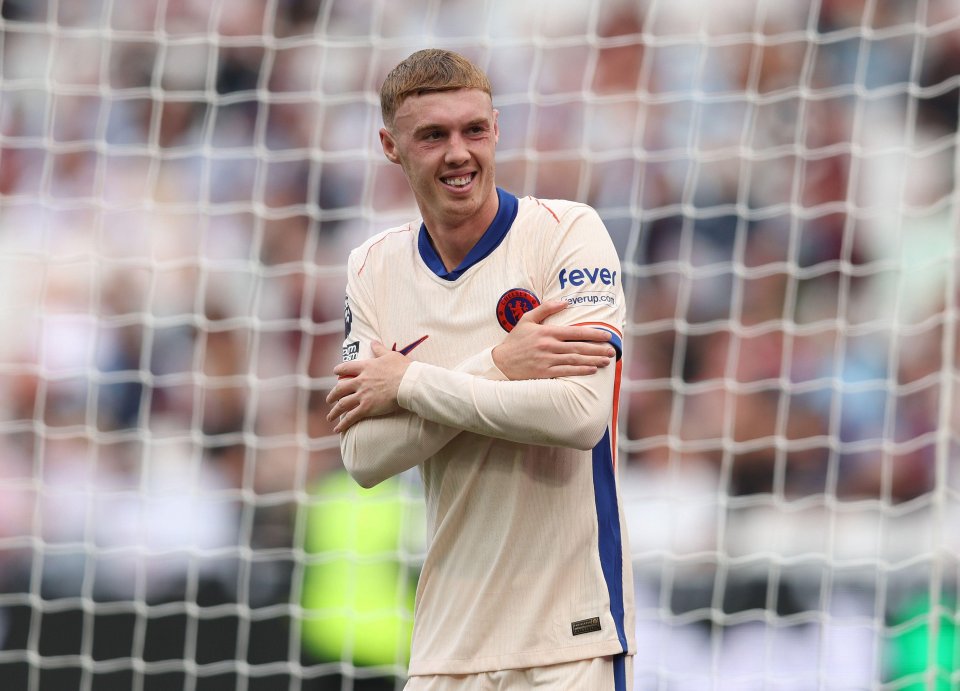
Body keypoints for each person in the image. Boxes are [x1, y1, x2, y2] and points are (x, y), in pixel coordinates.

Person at [325, 48, 635, 690]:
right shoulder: (372, 267)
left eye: (474, 130)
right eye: (432, 135)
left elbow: (579, 415)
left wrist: (408, 384)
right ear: (391, 145)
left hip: (570, 638)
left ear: (496, 127)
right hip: (446, 644)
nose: (459, 153)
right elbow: (363, 455)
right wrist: (501, 365)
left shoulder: (565, 233)